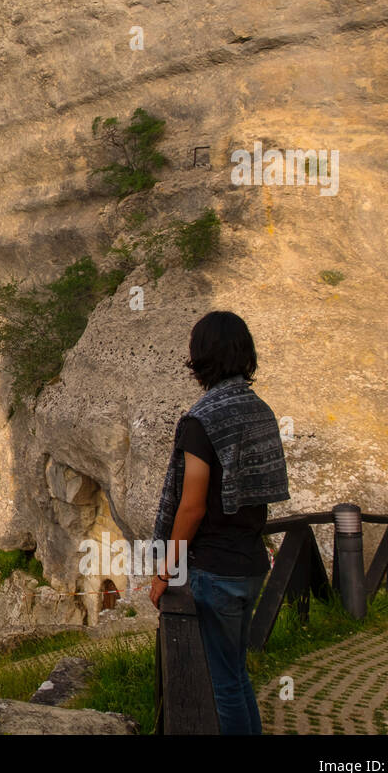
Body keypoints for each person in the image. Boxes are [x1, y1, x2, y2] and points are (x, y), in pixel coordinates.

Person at [149, 311, 289, 735]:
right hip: (250, 564)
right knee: (236, 674)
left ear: (200, 357)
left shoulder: (202, 419)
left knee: (222, 683)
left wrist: (165, 569)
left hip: (216, 569)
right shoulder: (259, 410)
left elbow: (191, 506)